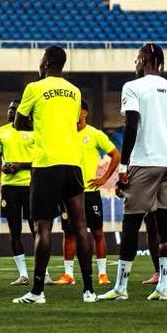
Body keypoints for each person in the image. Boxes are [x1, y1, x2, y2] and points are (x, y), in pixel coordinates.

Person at [12, 46, 93, 305]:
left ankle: (37, 291)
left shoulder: (34, 88)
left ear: (46, 62)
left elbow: (18, 123)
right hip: (73, 163)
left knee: (43, 228)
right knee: (81, 226)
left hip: (46, 164)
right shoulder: (75, 91)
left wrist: (39, 123)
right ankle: (89, 290)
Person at [111, 44, 167, 302]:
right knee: (165, 223)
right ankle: (163, 286)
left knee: (131, 222)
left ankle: (121, 287)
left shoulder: (133, 87)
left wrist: (123, 166)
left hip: (145, 160)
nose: (135, 64)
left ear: (143, 60)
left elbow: (131, 125)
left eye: (136, 59)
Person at [58, 105, 118, 289]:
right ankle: (68, 275)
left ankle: (102, 274)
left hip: (90, 192)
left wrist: (104, 178)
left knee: (97, 232)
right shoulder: (64, 134)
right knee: (69, 233)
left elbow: (115, 155)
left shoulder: (95, 134)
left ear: (84, 112)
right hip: (68, 191)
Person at [0, 99, 34, 287]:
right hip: (9, 188)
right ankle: (23, 274)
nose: (10, 111)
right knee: (14, 230)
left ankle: (45, 272)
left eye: (15, 109)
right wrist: (4, 166)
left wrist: (20, 165)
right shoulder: (0, 132)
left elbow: (41, 162)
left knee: (37, 229)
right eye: (9, 108)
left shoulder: (36, 132)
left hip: (30, 186)